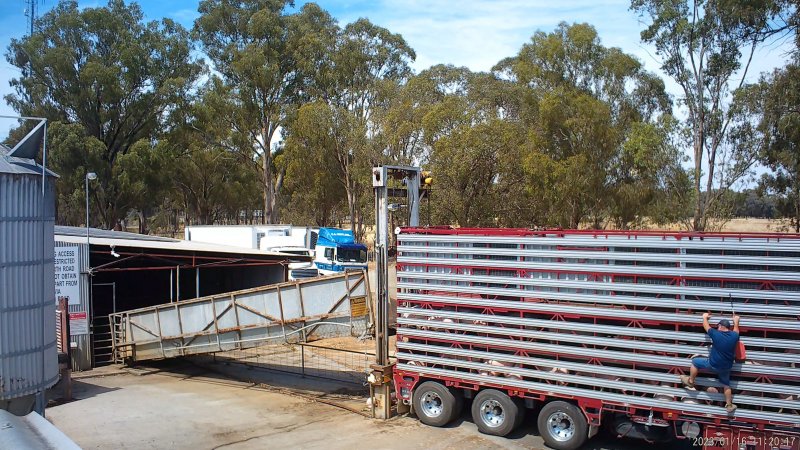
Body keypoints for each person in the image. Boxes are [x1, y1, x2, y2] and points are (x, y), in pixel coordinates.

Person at [680, 313, 740, 413]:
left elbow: (706, 326)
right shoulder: (734, 336)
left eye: (718, 326)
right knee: (726, 385)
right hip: (726, 367)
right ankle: (729, 405)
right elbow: (736, 330)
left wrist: (704, 317)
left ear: (721, 326)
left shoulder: (716, 334)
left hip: (713, 364)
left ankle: (690, 381)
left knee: (695, 362)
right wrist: (736, 321)